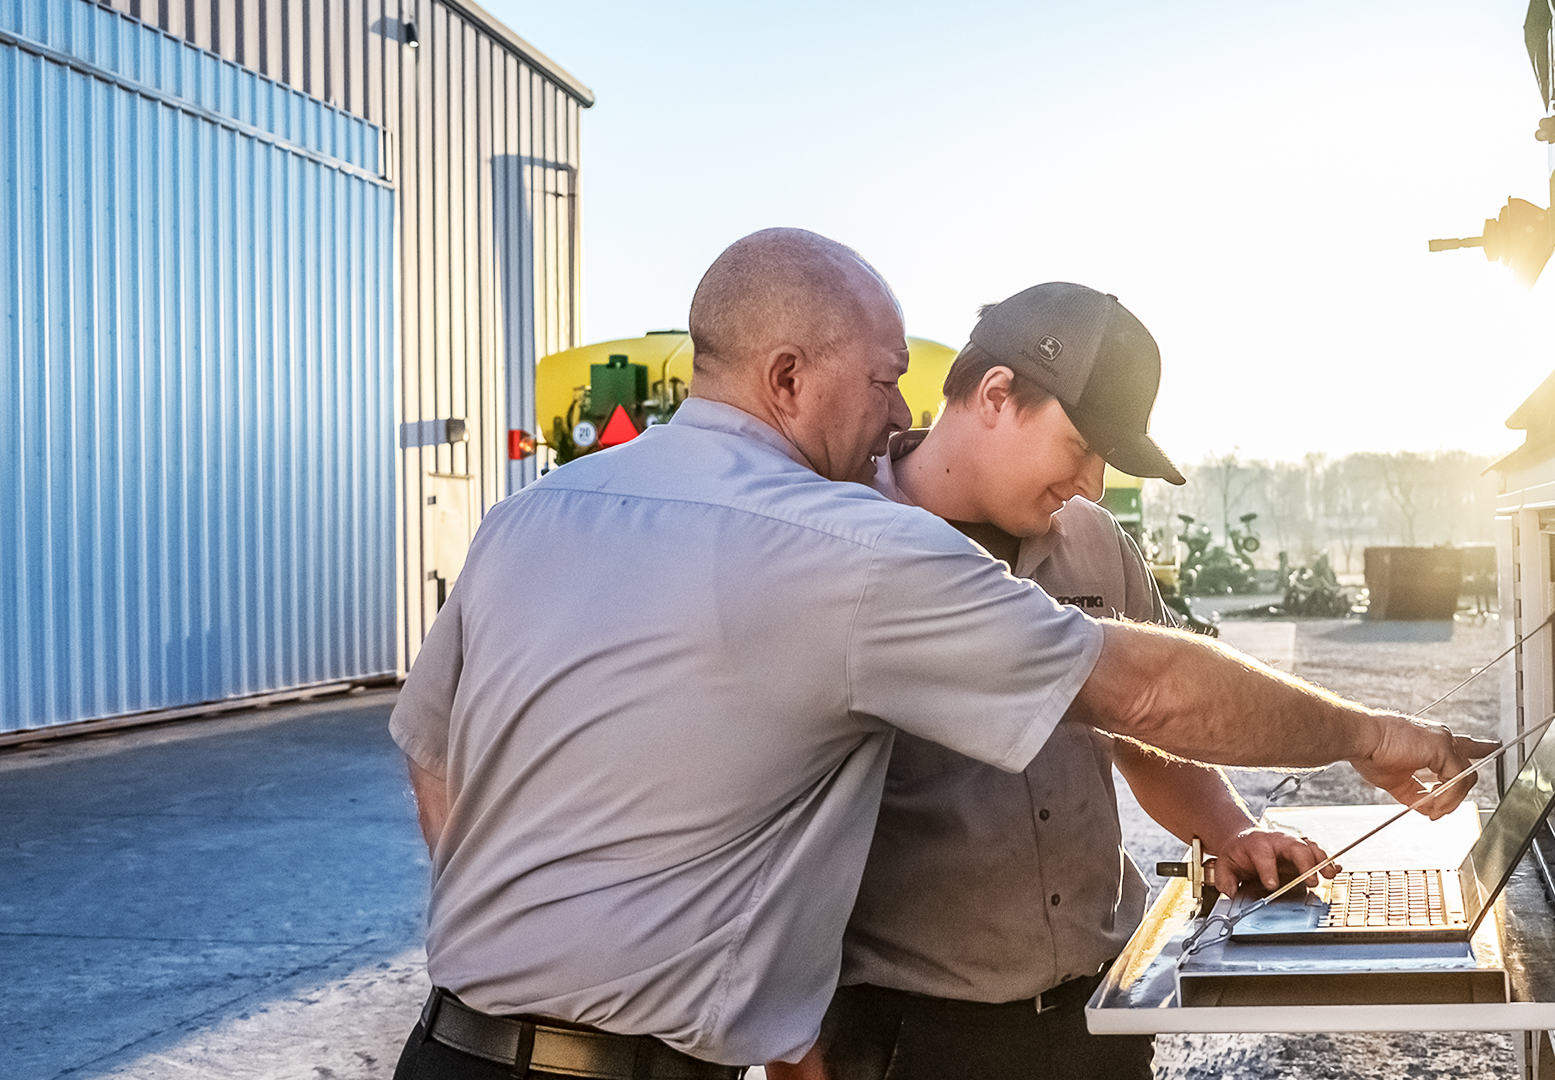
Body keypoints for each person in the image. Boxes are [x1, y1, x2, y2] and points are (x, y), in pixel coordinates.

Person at [388, 228, 1492, 1080]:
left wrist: (515, 938)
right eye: (881, 381)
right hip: (902, 1035)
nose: (897, 405)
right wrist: (1371, 733)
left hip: (470, 1045)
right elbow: (1149, 685)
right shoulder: (847, 550)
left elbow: (431, 755)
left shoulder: (530, 520)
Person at [779, 284, 1330, 1080]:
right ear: (998, 394)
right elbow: (764, 824)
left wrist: (1230, 828)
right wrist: (789, 1054)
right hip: (912, 1040)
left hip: (1097, 1020)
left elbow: (1152, 731)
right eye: (1083, 447)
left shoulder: (1096, 543)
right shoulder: (836, 548)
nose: (1095, 484)